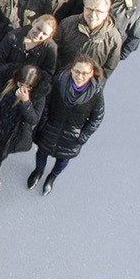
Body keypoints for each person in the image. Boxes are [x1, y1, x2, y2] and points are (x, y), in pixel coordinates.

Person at [27, 58, 106, 193]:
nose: (80, 76)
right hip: (51, 128)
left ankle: (52, 177)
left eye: (85, 73)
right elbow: (47, 103)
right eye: (77, 71)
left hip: (72, 135)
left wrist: (83, 136)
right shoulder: (59, 82)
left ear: (91, 73)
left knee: (63, 160)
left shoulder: (96, 93)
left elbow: (97, 117)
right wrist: (44, 123)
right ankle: (38, 171)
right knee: (42, 153)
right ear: (71, 69)